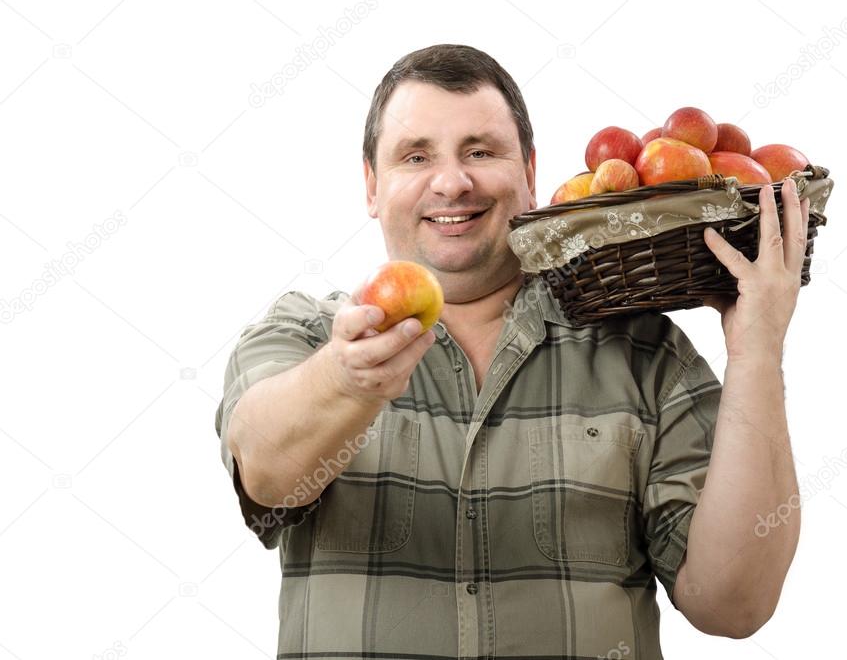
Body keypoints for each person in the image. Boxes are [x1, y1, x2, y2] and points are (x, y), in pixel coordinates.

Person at [215, 43, 807, 658]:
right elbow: (266, 470)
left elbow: (734, 603)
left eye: (480, 151)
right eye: (416, 156)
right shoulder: (307, 335)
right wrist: (345, 381)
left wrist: (757, 352)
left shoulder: (644, 354)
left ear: (528, 172)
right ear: (372, 184)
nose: (452, 181)